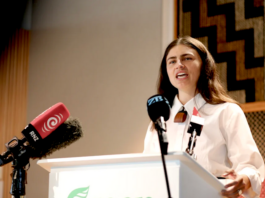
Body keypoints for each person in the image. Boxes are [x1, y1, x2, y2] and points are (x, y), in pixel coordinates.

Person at [143, 36, 264, 198]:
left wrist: (244, 179)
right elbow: (146, 171)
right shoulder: (159, 120)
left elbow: (251, 166)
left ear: (204, 66)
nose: (179, 64)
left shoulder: (226, 112)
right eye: (171, 61)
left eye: (187, 58)